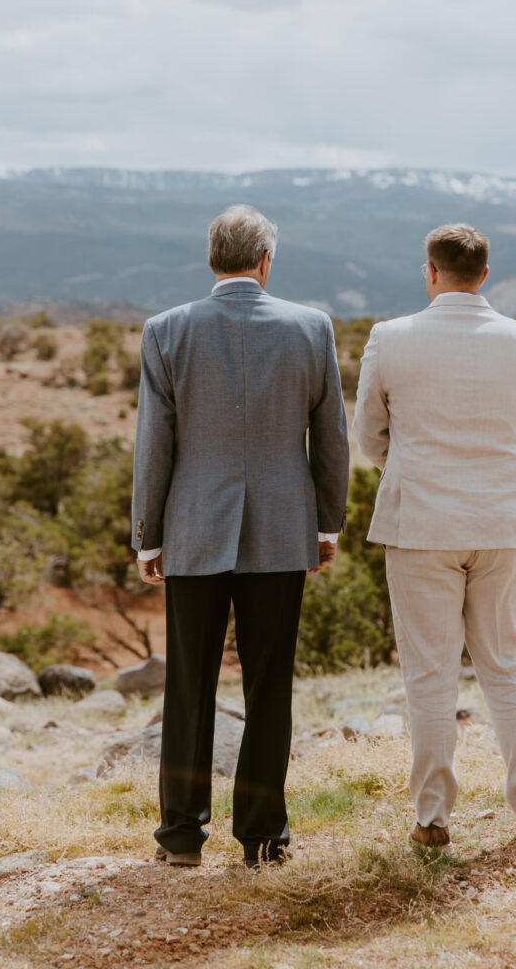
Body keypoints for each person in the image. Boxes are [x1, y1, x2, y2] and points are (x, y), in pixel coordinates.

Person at [132, 204, 350, 868]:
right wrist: (326, 523)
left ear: (211, 259)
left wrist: (148, 536)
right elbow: (331, 438)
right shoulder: (311, 328)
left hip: (193, 530)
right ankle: (261, 836)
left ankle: (181, 838)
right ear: (264, 261)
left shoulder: (165, 330)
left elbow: (154, 443)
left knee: (189, 687)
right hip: (284, 533)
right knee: (269, 686)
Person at [353, 223, 516, 849]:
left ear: (430, 271)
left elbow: (368, 436)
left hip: (420, 525)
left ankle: (433, 819)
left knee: (430, 674)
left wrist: (412, 469)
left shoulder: (389, 339)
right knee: (507, 665)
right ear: (485, 275)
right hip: (501, 521)